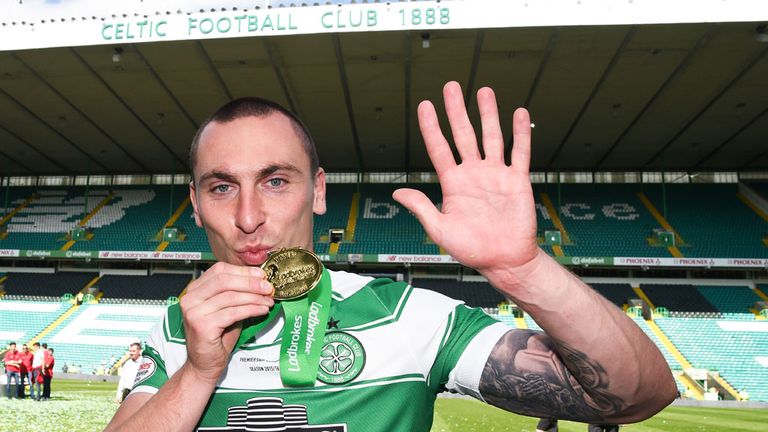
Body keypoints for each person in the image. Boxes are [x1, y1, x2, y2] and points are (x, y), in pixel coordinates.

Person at [106, 82, 676, 431]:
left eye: (276, 181)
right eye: (222, 186)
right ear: (197, 205)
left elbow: (640, 394)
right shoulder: (177, 328)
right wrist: (200, 372)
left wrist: (522, 269)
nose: (249, 216)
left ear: (319, 190)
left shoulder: (407, 316)